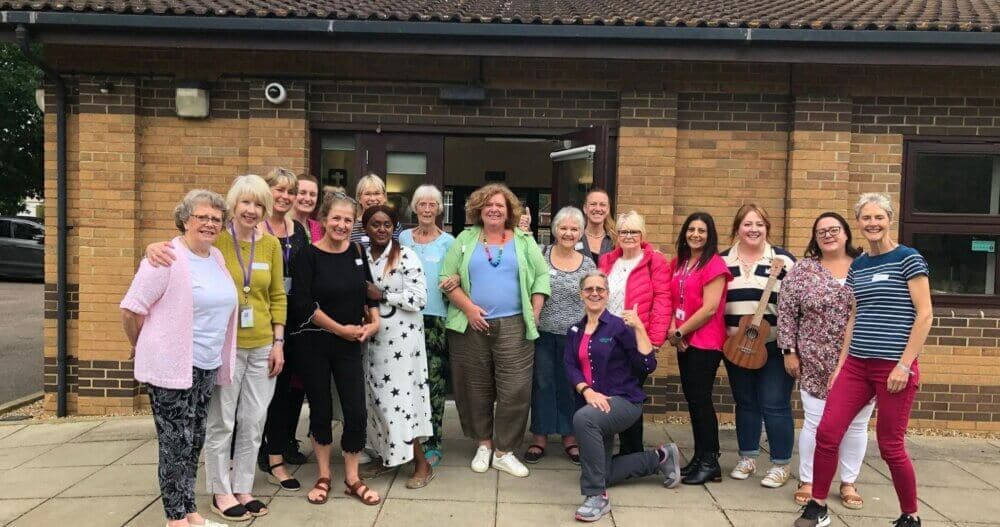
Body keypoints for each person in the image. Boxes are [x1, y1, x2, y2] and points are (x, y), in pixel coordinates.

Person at [795, 194, 932, 527]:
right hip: (856, 364)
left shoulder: (908, 258)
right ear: (858, 223)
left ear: (889, 218)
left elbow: (925, 314)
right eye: (866, 218)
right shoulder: (859, 265)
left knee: (890, 445)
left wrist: (904, 365)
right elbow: (854, 317)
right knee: (827, 433)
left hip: (893, 367)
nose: (872, 224)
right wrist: (841, 367)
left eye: (878, 217)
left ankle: (910, 515)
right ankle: (818, 506)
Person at [121, 189, 237, 527]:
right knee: (175, 444)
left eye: (216, 219)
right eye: (202, 217)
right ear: (185, 220)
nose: (210, 223)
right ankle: (175, 521)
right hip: (171, 366)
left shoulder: (215, 257)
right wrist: (140, 343)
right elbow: (131, 309)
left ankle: (191, 514)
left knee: (194, 439)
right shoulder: (166, 258)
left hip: (204, 365)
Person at [439, 183, 550, 478]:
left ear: (509, 211)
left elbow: (541, 276)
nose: (494, 209)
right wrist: (470, 309)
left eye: (500, 205)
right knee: (474, 387)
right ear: (479, 210)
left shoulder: (524, 241)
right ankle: (484, 444)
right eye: (488, 204)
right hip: (470, 325)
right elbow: (446, 278)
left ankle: (504, 451)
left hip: (514, 324)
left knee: (515, 388)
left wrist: (535, 313)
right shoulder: (464, 239)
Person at [288, 192, 383, 506]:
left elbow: (368, 292)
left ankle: (352, 478)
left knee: (356, 410)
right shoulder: (307, 255)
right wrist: (340, 329)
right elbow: (303, 304)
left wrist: (374, 321)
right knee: (322, 409)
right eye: (336, 219)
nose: (342, 225)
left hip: (350, 344)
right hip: (315, 342)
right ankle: (324, 474)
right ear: (324, 220)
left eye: (347, 219)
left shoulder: (356, 251)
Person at [566, 270, 682, 522]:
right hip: (595, 403)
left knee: (584, 420)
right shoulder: (575, 329)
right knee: (602, 471)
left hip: (624, 401)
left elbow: (647, 364)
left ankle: (597, 496)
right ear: (581, 294)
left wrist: (640, 327)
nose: (594, 293)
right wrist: (586, 390)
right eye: (589, 289)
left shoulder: (619, 327)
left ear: (607, 294)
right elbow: (570, 366)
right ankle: (661, 457)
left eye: (600, 289)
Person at [779, 212, 871, 509]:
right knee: (815, 423)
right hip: (815, 359)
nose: (828, 235)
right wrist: (789, 351)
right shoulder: (803, 270)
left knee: (856, 425)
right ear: (815, 237)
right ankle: (809, 479)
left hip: (861, 358)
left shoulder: (866, 265)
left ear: (846, 233)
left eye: (834, 229)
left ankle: (848, 481)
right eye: (821, 232)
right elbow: (786, 312)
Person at [720, 203, 796, 489]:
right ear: (737, 228)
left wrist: (790, 349)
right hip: (737, 346)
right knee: (746, 402)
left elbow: (795, 308)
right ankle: (748, 457)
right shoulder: (723, 261)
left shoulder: (784, 261)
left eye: (759, 224)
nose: (753, 229)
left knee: (775, 404)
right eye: (747, 224)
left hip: (775, 346)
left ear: (767, 228)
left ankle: (780, 464)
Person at [362, 204, 435, 488]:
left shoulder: (406, 256)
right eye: (375, 224)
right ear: (366, 228)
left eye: (387, 225)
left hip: (402, 345)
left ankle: (421, 463)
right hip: (372, 340)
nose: (381, 229)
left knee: (400, 403)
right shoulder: (362, 257)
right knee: (376, 402)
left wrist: (383, 294)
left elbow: (419, 299)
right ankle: (386, 456)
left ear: (395, 228)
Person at [524, 206, 595, 465]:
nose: (568, 233)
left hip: (574, 336)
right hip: (543, 333)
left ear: (581, 233)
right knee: (542, 383)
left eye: (574, 229)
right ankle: (539, 437)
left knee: (569, 385)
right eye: (563, 228)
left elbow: (594, 296)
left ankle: (569, 437)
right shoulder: (541, 255)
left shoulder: (587, 263)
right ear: (554, 230)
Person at [665, 212, 732, 485]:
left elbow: (710, 308)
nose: (695, 234)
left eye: (701, 230)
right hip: (683, 340)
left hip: (705, 342)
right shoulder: (680, 262)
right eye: (691, 229)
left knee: (701, 400)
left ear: (710, 234)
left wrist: (681, 330)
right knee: (693, 400)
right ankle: (699, 457)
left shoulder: (714, 264)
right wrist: (673, 330)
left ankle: (710, 461)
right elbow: (670, 299)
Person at [597, 210, 670, 456]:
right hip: (607, 338)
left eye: (634, 231)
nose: (628, 236)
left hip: (635, 339)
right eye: (624, 231)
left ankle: (632, 452)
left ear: (643, 235)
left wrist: (654, 339)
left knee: (630, 395)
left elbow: (662, 299)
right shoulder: (607, 261)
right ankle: (607, 450)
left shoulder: (655, 261)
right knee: (607, 392)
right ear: (616, 235)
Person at [255, 167, 310, 491]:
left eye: (290, 192)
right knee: (254, 393)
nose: (286, 197)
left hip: (293, 322)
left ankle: (275, 454)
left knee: (284, 393)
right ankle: (248, 454)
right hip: (260, 320)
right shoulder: (253, 228)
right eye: (279, 190)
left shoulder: (298, 230)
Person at [398, 184, 456, 467]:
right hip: (404, 317)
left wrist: (455, 280)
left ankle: (433, 441)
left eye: (432, 204)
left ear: (439, 209)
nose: (427, 209)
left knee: (433, 383)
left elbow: (457, 274)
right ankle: (407, 440)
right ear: (414, 207)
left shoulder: (449, 242)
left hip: (436, 320)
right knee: (405, 382)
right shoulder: (403, 238)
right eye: (422, 203)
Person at [352, 173, 401, 248]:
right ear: (359, 198)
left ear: (384, 197)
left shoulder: (395, 225)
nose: (372, 198)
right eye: (367, 194)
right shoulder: (351, 226)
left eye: (377, 193)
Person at [580, 188, 616, 265]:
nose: (598, 209)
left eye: (602, 205)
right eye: (593, 204)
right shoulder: (574, 238)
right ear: (585, 209)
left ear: (608, 209)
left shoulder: (615, 240)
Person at [292, 173, 323, 242]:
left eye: (312, 194)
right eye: (302, 193)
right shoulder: (281, 225)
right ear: (292, 194)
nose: (308, 199)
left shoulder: (319, 229)